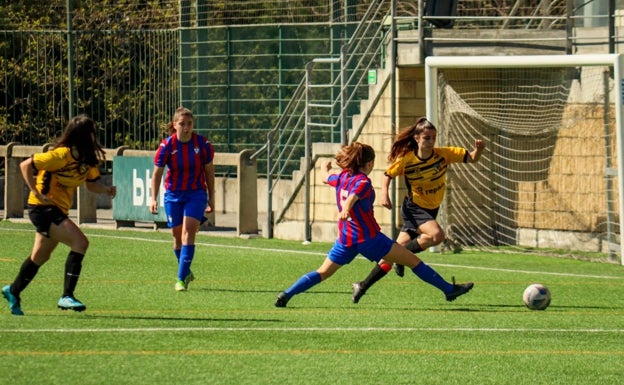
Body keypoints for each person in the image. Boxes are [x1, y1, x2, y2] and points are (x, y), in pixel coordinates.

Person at [274, 141, 473, 308]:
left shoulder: (341, 177)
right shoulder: (363, 182)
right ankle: (449, 290)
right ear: (368, 164)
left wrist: (323, 169)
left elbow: (328, 178)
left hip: (346, 239)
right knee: (413, 261)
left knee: (322, 272)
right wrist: (346, 208)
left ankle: (287, 294)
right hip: (370, 238)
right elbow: (355, 194)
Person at [351, 117, 485, 304]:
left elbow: (471, 158)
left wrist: (478, 150)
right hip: (414, 209)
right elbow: (387, 174)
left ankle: (362, 285)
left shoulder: (443, 155)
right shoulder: (408, 160)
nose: (430, 141)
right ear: (416, 138)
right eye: (426, 138)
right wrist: (384, 195)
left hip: (430, 210)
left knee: (392, 254)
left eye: (433, 137)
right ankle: (407, 261)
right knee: (437, 236)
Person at [2, 114, 117, 316]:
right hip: (42, 209)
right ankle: (67, 296)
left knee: (40, 256)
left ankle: (13, 291)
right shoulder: (61, 155)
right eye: (91, 133)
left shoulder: (87, 159)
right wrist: (35, 191)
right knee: (81, 242)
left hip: (58, 210)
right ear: (82, 135)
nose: (94, 137)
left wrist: (106, 190)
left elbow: (91, 185)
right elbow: (25, 165)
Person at [150, 107, 215, 292]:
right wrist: (153, 198)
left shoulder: (202, 144)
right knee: (177, 237)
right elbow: (156, 175)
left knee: (188, 232)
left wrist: (212, 198)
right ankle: (185, 270)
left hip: (196, 194)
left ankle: (180, 279)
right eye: (182, 124)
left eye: (189, 124)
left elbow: (209, 173)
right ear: (174, 125)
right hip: (173, 195)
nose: (186, 128)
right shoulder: (167, 146)